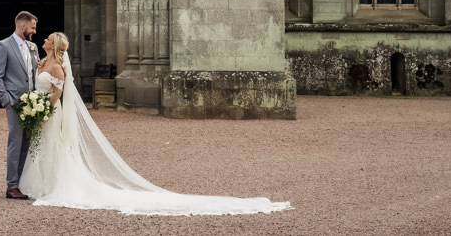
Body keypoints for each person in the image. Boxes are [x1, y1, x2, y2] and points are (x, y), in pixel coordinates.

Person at [17, 32, 292, 216]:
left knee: (52, 147)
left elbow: (57, 95)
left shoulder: (56, 68)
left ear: (55, 45)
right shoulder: (42, 61)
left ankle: (50, 185)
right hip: (41, 112)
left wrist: (41, 111)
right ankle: (39, 183)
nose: (43, 39)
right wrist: (33, 104)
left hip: (48, 113)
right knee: (42, 148)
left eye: (48, 38)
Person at [0, 10, 39, 200]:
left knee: (27, 143)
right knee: (15, 143)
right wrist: (7, 101)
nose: (34, 31)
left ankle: (22, 182)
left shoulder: (33, 46)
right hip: (15, 103)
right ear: (22, 25)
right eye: (32, 27)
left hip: (33, 104)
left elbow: (35, 73)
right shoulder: (3, 46)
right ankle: (12, 186)